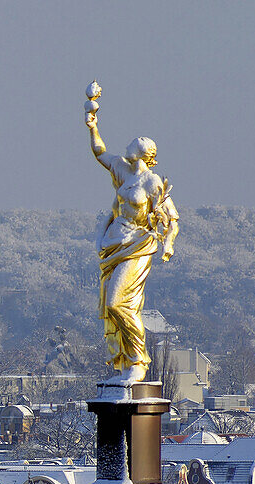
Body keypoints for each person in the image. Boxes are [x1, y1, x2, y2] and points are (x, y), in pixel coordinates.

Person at [86, 100, 179, 384]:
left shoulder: (153, 184)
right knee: (116, 305)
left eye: (137, 144)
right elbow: (100, 152)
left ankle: (138, 360)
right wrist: (93, 124)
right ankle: (126, 362)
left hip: (138, 247)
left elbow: (171, 219)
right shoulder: (123, 171)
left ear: (145, 153)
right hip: (114, 244)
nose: (131, 145)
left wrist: (169, 244)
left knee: (119, 303)